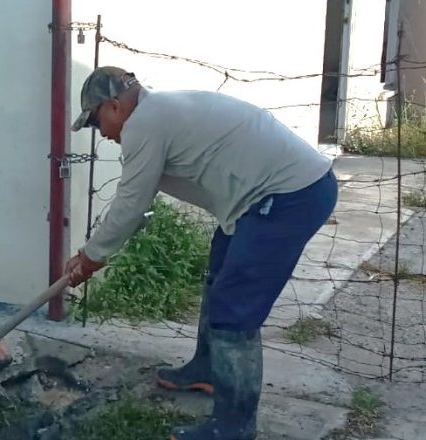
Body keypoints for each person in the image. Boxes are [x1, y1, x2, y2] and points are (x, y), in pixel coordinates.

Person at [66, 66, 338, 440]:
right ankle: (208, 369)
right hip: (266, 198)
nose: (104, 135)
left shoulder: (144, 124)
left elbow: (130, 204)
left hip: (289, 196)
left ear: (114, 106)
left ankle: (234, 426)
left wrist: (92, 256)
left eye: (98, 124)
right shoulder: (158, 111)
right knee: (220, 272)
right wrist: (94, 253)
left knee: (234, 307)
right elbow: (138, 199)